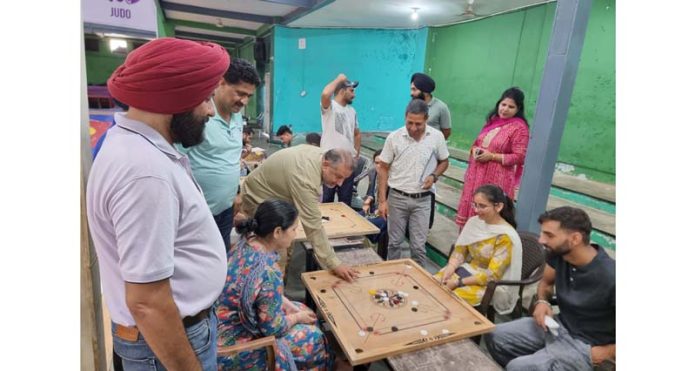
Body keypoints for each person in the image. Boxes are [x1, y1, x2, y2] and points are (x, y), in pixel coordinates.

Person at [86, 37, 230, 370]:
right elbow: (148, 302)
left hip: (172, 334)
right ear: (173, 98)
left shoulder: (135, 146)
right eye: (204, 98)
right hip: (168, 343)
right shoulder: (145, 173)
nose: (210, 110)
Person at [484, 207, 615, 370]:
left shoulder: (611, 276)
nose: (541, 240)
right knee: (494, 335)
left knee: (517, 367)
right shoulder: (559, 255)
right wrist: (542, 302)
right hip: (557, 326)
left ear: (575, 238)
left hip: (586, 345)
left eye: (549, 235)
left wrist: (607, 352)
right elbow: (546, 283)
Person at [216, 199, 335, 370]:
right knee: (313, 337)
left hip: (220, 324)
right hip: (234, 347)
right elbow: (273, 329)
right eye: (293, 229)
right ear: (278, 232)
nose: (295, 234)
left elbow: (262, 295)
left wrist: (288, 306)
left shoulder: (245, 243)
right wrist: (296, 317)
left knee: (302, 310)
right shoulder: (268, 271)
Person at [237, 145, 360, 282]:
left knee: (289, 243)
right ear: (326, 164)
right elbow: (313, 227)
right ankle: (272, 294)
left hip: (278, 198)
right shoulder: (305, 177)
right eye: (338, 176)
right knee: (277, 257)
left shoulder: (321, 156)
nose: (340, 183)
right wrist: (334, 263)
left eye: (344, 178)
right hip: (258, 198)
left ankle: (281, 287)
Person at [176, 58, 261, 252]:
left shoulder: (237, 113)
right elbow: (174, 162)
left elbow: (230, 157)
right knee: (199, 266)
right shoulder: (199, 114)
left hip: (226, 209)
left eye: (249, 96)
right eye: (240, 93)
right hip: (198, 215)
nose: (244, 101)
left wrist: (236, 193)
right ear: (221, 82)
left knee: (220, 257)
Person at [377, 99, 450, 268]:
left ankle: (418, 283)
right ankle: (392, 278)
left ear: (426, 119)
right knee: (394, 243)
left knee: (418, 247)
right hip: (397, 197)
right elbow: (383, 168)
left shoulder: (436, 137)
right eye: (409, 122)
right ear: (405, 117)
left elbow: (444, 161)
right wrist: (382, 201)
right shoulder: (394, 138)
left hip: (423, 200)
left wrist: (434, 175)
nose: (413, 128)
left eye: (418, 124)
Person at [434, 184, 522, 312]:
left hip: (489, 283)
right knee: (435, 283)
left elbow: (492, 275)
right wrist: (450, 268)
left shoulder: (505, 236)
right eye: (475, 204)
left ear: (498, 207)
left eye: (482, 206)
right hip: (469, 270)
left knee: (450, 298)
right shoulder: (474, 222)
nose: (476, 210)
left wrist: (458, 283)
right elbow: (461, 250)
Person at [455, 87, 530, 228]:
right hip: (476, 177)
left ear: (518, 109)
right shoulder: (492, 122)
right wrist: (476, 150)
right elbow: (477, 144)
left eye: (511, 106)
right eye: (503, 104)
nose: (505, 109)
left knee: (489, 219)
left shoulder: (519, 128)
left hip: (497, 179)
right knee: (471, 219)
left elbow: (520, 156)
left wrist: (492, 156)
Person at [320, 73, 362, 206]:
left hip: (347, 164)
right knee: (327, 201)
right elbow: (326, 94)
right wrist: (338, 79)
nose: (354, 95)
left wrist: (356, 153)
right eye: (351, 91)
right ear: (342, 91)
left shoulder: (352, 111)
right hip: (330, 162)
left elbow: (357, 133)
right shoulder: (330, 107)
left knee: (345, 203)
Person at [410, 72, 452, 140]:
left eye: (414, 89)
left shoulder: (441, 107)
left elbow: (446, 132)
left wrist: (434, 143)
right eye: (411, 89)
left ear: (425, 92)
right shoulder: (412, 105)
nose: (411, 93)